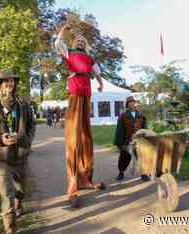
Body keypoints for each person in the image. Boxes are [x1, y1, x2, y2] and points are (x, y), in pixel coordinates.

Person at [0, 69, 36, 234]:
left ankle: (20, 203)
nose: (10, 83)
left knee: (21, 190)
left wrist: (27, 138)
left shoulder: (23, 103)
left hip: (21, 155)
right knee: (6, 195)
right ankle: (10, 228)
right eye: (6, 81)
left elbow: (32, 124)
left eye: (12, 81)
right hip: (2, 158)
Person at [55, 23, 105, 208]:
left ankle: (86, 178)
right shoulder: (69, 52)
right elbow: (58, 43)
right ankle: (73, 185)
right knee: (74, 138)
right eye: (79, 40)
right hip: (75, 93)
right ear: (74, 43)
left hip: (86, 93)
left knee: (86, 137)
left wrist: (100, 84)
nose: (81, 42)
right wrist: (63, 30)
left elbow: (97, 71)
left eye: (84, 41)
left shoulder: (90, 58)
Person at [114, 96, 148, 181]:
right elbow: (119, 130)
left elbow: (145, 128)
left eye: (133, 101)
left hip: (139, 140)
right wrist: (120, 143)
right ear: (127, 104)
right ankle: (121, 172)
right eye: (130, 102)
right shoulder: (123, 116)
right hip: (127, 140)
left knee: (141, 157)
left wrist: (146, 138)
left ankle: (144, 174)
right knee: (124, 157)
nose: (132, 103)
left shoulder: (141, 115)